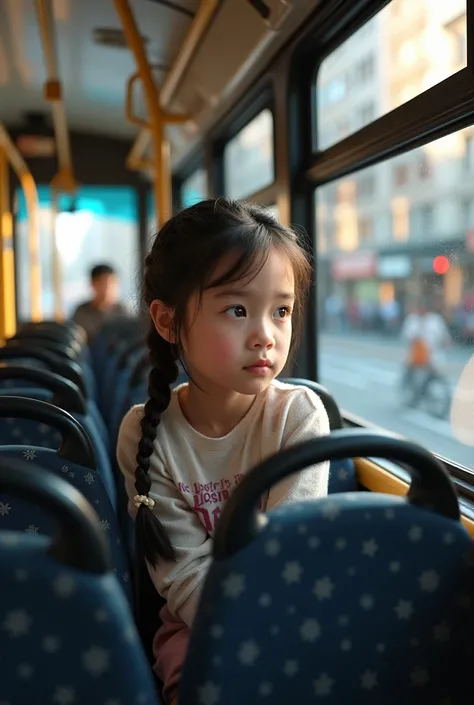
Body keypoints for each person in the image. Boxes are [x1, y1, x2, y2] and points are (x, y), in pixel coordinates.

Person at [116, 199, 330, 705]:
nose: (265, 336)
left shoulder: (298, 416)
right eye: (237, 310)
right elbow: (184, 577)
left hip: (290, 612)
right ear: (168, 322)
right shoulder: (144, 432)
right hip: (198, 626)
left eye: (281, 311)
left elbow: (290, 561)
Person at [72, 264, 128, 342]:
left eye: (112, 283)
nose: (108, 288)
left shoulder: (123, 310)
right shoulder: (82, 312)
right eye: (103, 283)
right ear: (93, 284)